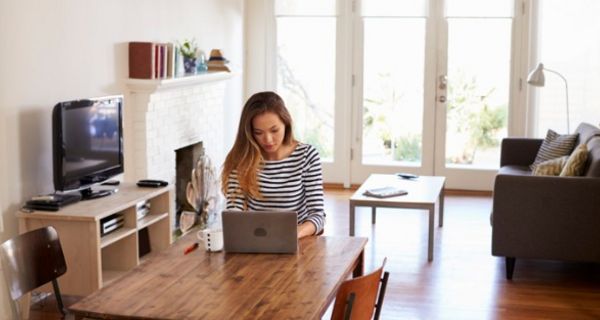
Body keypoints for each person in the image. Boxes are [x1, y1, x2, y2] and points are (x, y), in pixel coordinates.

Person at [221, 91, 325, 238]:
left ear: (286, 123)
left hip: (297, 242)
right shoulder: (242, 159)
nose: (268, 140)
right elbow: (234, 212)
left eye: (274, 130)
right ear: (250, 132)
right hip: (254, 240)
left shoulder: (307, 156)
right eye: (258, 132)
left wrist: (293, 234)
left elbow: (318, 216)